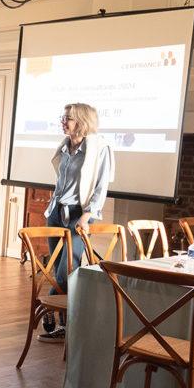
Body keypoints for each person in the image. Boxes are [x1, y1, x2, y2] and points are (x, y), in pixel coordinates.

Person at [40, 102, 115, 342]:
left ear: (82, 121)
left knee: (66, 271)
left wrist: (87, 215)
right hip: (56, 213)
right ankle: (65, 325)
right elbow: (61, 181)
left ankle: (47, 307)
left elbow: (101, 186)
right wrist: (53, 203)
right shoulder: (65, 147)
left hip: (78, 216)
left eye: (68, 118)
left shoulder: (100, 148)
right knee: (56, 268)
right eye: (63, 117)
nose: (63, 121)